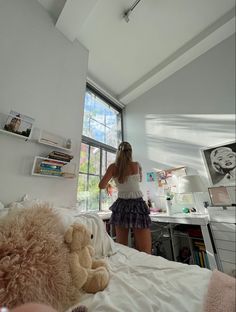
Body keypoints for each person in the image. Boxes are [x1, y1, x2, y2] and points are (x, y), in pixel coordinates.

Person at [99, 141, 152, 254]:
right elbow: (139, 180)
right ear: (130, 152)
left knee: (121, 248)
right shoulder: (136, 165)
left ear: (118, 152)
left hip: (121, 205)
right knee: (145, 250)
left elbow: (101, 185)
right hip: (137, 205)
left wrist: (110, 183)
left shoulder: (113, 167)